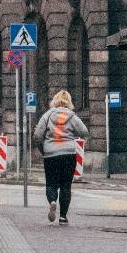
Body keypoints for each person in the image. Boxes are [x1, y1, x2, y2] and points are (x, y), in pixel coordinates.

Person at [33, 90, 89, 225]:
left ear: (55, 101)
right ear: (69, 102)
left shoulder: (47, 115)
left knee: (51, 183)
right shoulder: (72, 116)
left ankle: (52, 200)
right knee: (66, 185)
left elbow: (37, 136)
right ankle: (63, 217)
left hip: (51, 155)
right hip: (69, 155)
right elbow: (84, 132)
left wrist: (44, 149)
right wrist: (75, 140)